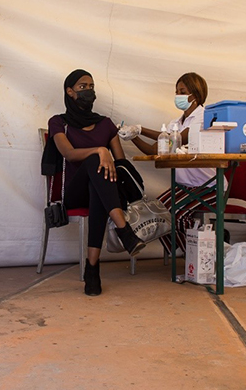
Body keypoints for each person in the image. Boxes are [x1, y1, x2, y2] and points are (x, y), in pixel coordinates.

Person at [49, 69, 147, 296]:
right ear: (70, 91)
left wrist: (105, 154)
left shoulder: (106, 124)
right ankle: (124, 231)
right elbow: (70, 154)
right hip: (74, 191)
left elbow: (120, 163)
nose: (88, 91)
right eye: (83, 87)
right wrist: (100, 150)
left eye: (91, 87)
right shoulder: (59, 122)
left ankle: (92, 270)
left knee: (99, 187)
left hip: (101, 189)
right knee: (95, 161)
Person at [119, 72, 215, 252]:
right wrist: (132, 136)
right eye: (176, 91)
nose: (178, 95)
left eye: (182, 91)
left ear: (194, 94)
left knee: (174, 217)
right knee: (156, 216)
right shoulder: (176, 122)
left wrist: (141, 129)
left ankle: (197, 258)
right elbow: (154, 149)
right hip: (185, 186)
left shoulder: (205, 117)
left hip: (209, 186)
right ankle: (193, 256)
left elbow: (178, 139)